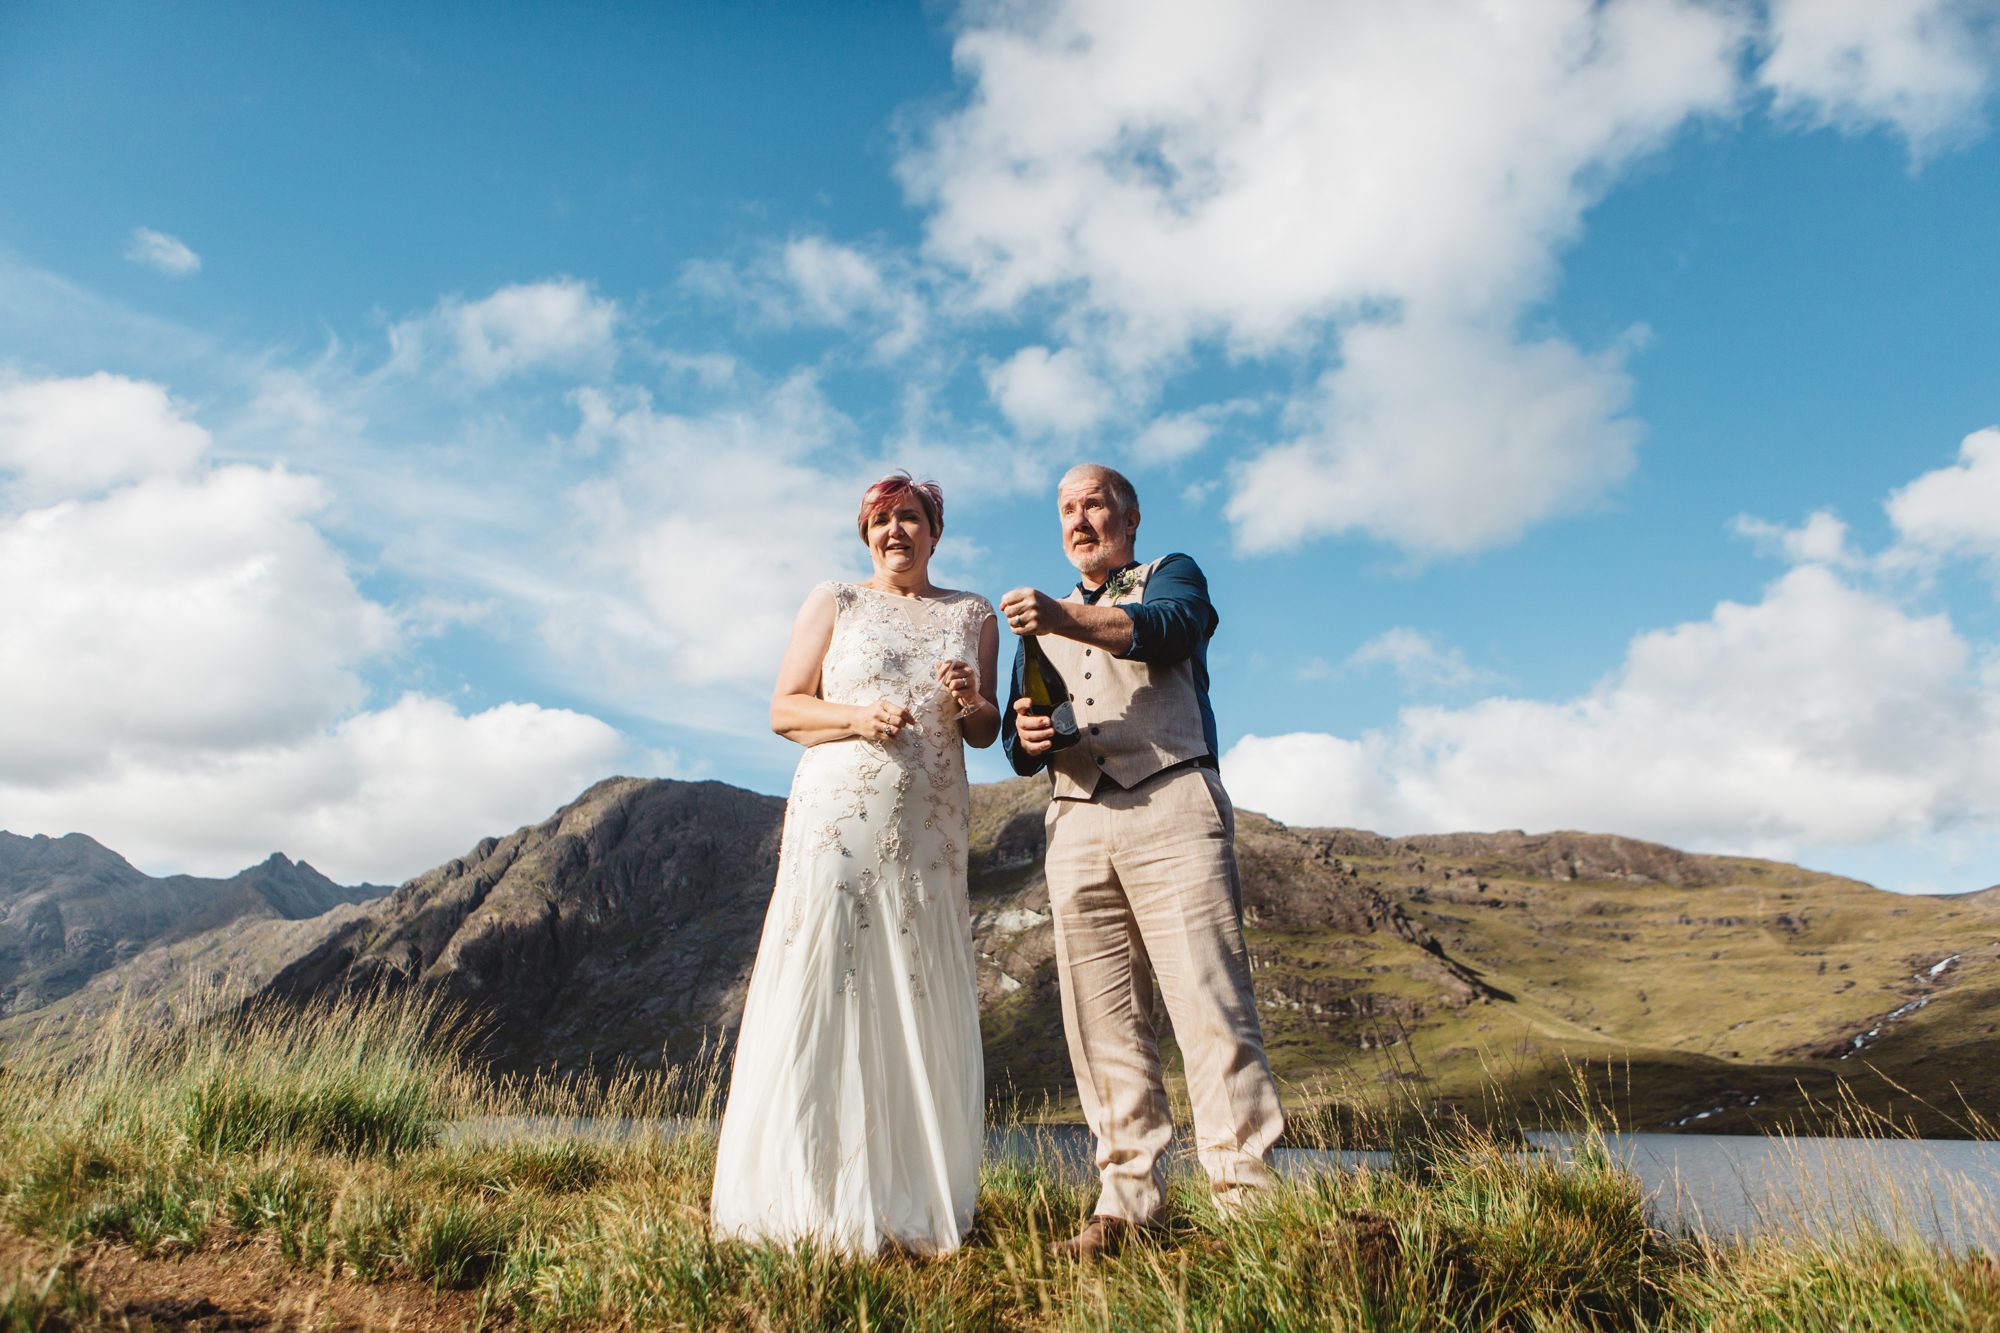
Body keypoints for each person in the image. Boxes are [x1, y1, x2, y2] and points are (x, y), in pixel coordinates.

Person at [711, 471, 1000, 1256]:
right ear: (866, 533)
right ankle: (806, 1196)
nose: (895, 531)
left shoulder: (973, 614)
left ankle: (907, 1194)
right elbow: (784, 708)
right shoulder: (833, 600)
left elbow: (982, 731)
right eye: (881, 520)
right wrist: (856, 716)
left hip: (932, 827)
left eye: (910, 518)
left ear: (935, 531)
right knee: (831, 979)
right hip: (840, 817)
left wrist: (973, 696)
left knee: (917, 983)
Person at [1000, 463, 1284, 1259]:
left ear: (1127, 516)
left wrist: (1069, 616)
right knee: (1102, 1021)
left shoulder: (1172, 575)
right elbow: (1020, 739)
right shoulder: (1040, 620)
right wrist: (1022, 741)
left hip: (1171, 800)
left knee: (1209, 1004)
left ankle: (1246, 1202)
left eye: (1092, 503)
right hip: (1077, 819)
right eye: (1066, 508)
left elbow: (1170, 631)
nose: (1078, 518)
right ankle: (1126, 1201)